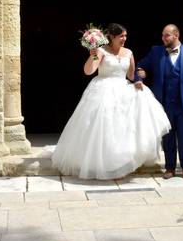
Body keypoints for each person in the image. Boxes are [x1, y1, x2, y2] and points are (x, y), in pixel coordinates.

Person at [52, 23, 171, 180]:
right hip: (103, 90)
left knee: (123, 128)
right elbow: (88, 71)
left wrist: (138, 77)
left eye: (126, 36)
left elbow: (130, 74)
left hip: (122, 90)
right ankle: (103, 165)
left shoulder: (128, 52)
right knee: (106, 127)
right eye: (121, 36)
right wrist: (93, 54)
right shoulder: (101, 51)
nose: (124, 39)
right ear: (112, 37)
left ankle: (120, 164)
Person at [135, 24, 183, 180]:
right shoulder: (156, 52)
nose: (163, 38)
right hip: (163, 103)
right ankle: (169, 168)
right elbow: (140, 66)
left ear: (176, 35)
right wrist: (140, 76)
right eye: (162, 35)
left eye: (166, 35)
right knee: (167, 136)